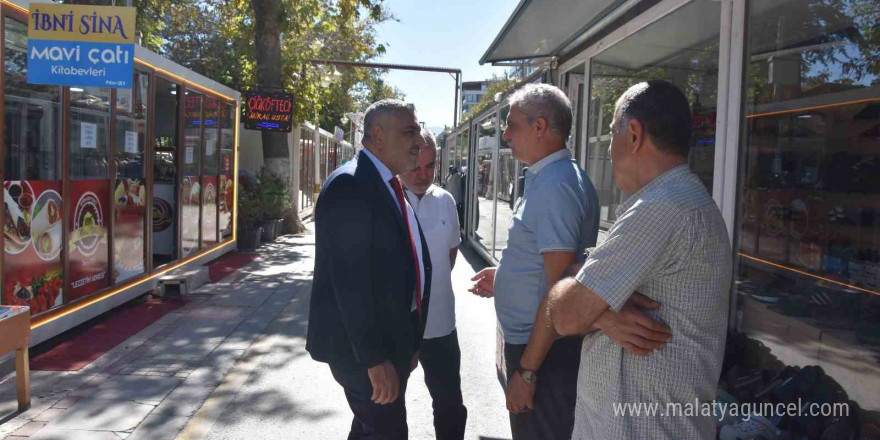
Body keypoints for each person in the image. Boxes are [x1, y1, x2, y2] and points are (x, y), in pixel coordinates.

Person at [546, 80, 732, 440]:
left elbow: (564, 314)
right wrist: (602, 313)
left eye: (612, 131)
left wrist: (591, 309)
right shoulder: (685, 201)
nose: (610, 146)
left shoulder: (660, 208)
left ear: (633, 134)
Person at [467, 83, 600, 440]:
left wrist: (526, 373)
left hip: (542, 355)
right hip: (536, 348)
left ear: (540, 127)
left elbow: (561, 290)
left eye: (513, 125)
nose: (506, 134)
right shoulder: (549, 177)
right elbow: (547, 265)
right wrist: (510, 274)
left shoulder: (556, 186)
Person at [306, 99, 433, 440]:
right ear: (377, 135)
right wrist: (374, 359)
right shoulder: (351, 185)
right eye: (410, 131)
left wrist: (410, 338)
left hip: (392, 341)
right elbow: (350, 283)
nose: (419, 141)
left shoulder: (384, 182)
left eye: (418, 131)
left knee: (368, 428)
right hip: (365, 353)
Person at [400, 129, 467, 440]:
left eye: (431, 166)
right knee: (381, 410)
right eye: (415, 166)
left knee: (450, 404)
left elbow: (448, 260)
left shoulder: (446, 201)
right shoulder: (387, 200)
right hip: (397, 328)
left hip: (440, 324)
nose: (423, 175)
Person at [444, 165, 464, 230]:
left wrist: (449, 175)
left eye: (451, 170)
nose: (450, 171)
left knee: (456, 213)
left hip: (456, 199)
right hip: (452, 198)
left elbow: (451, 186)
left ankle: (457, 226)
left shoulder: (457, 176)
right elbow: (446, 181)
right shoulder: (452, 176)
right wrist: (449, 174)